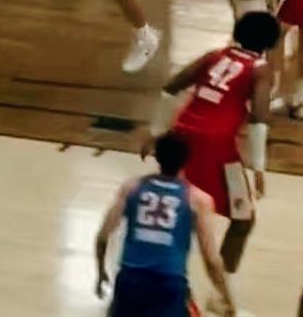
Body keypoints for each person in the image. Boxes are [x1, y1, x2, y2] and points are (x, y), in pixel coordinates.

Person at [142, 11, 282, 315]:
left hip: (182, 137)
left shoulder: (214, 56)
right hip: (216, 146)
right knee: (243, 220)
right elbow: (259, 119)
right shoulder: (260, 69)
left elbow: (171, 87)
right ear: (271, 42)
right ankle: (219, 298)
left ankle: (169, 286)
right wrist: (259, 169)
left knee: (179, 215)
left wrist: (155, 132)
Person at [95, 133, 235, 317]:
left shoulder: (132, 187)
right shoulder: (197, 199)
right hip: (169, 284)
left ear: (157, 157)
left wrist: (101, 272)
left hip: (130, 281)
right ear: (187, 160)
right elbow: (211, 259)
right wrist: (226, 296)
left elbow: (102, 237)